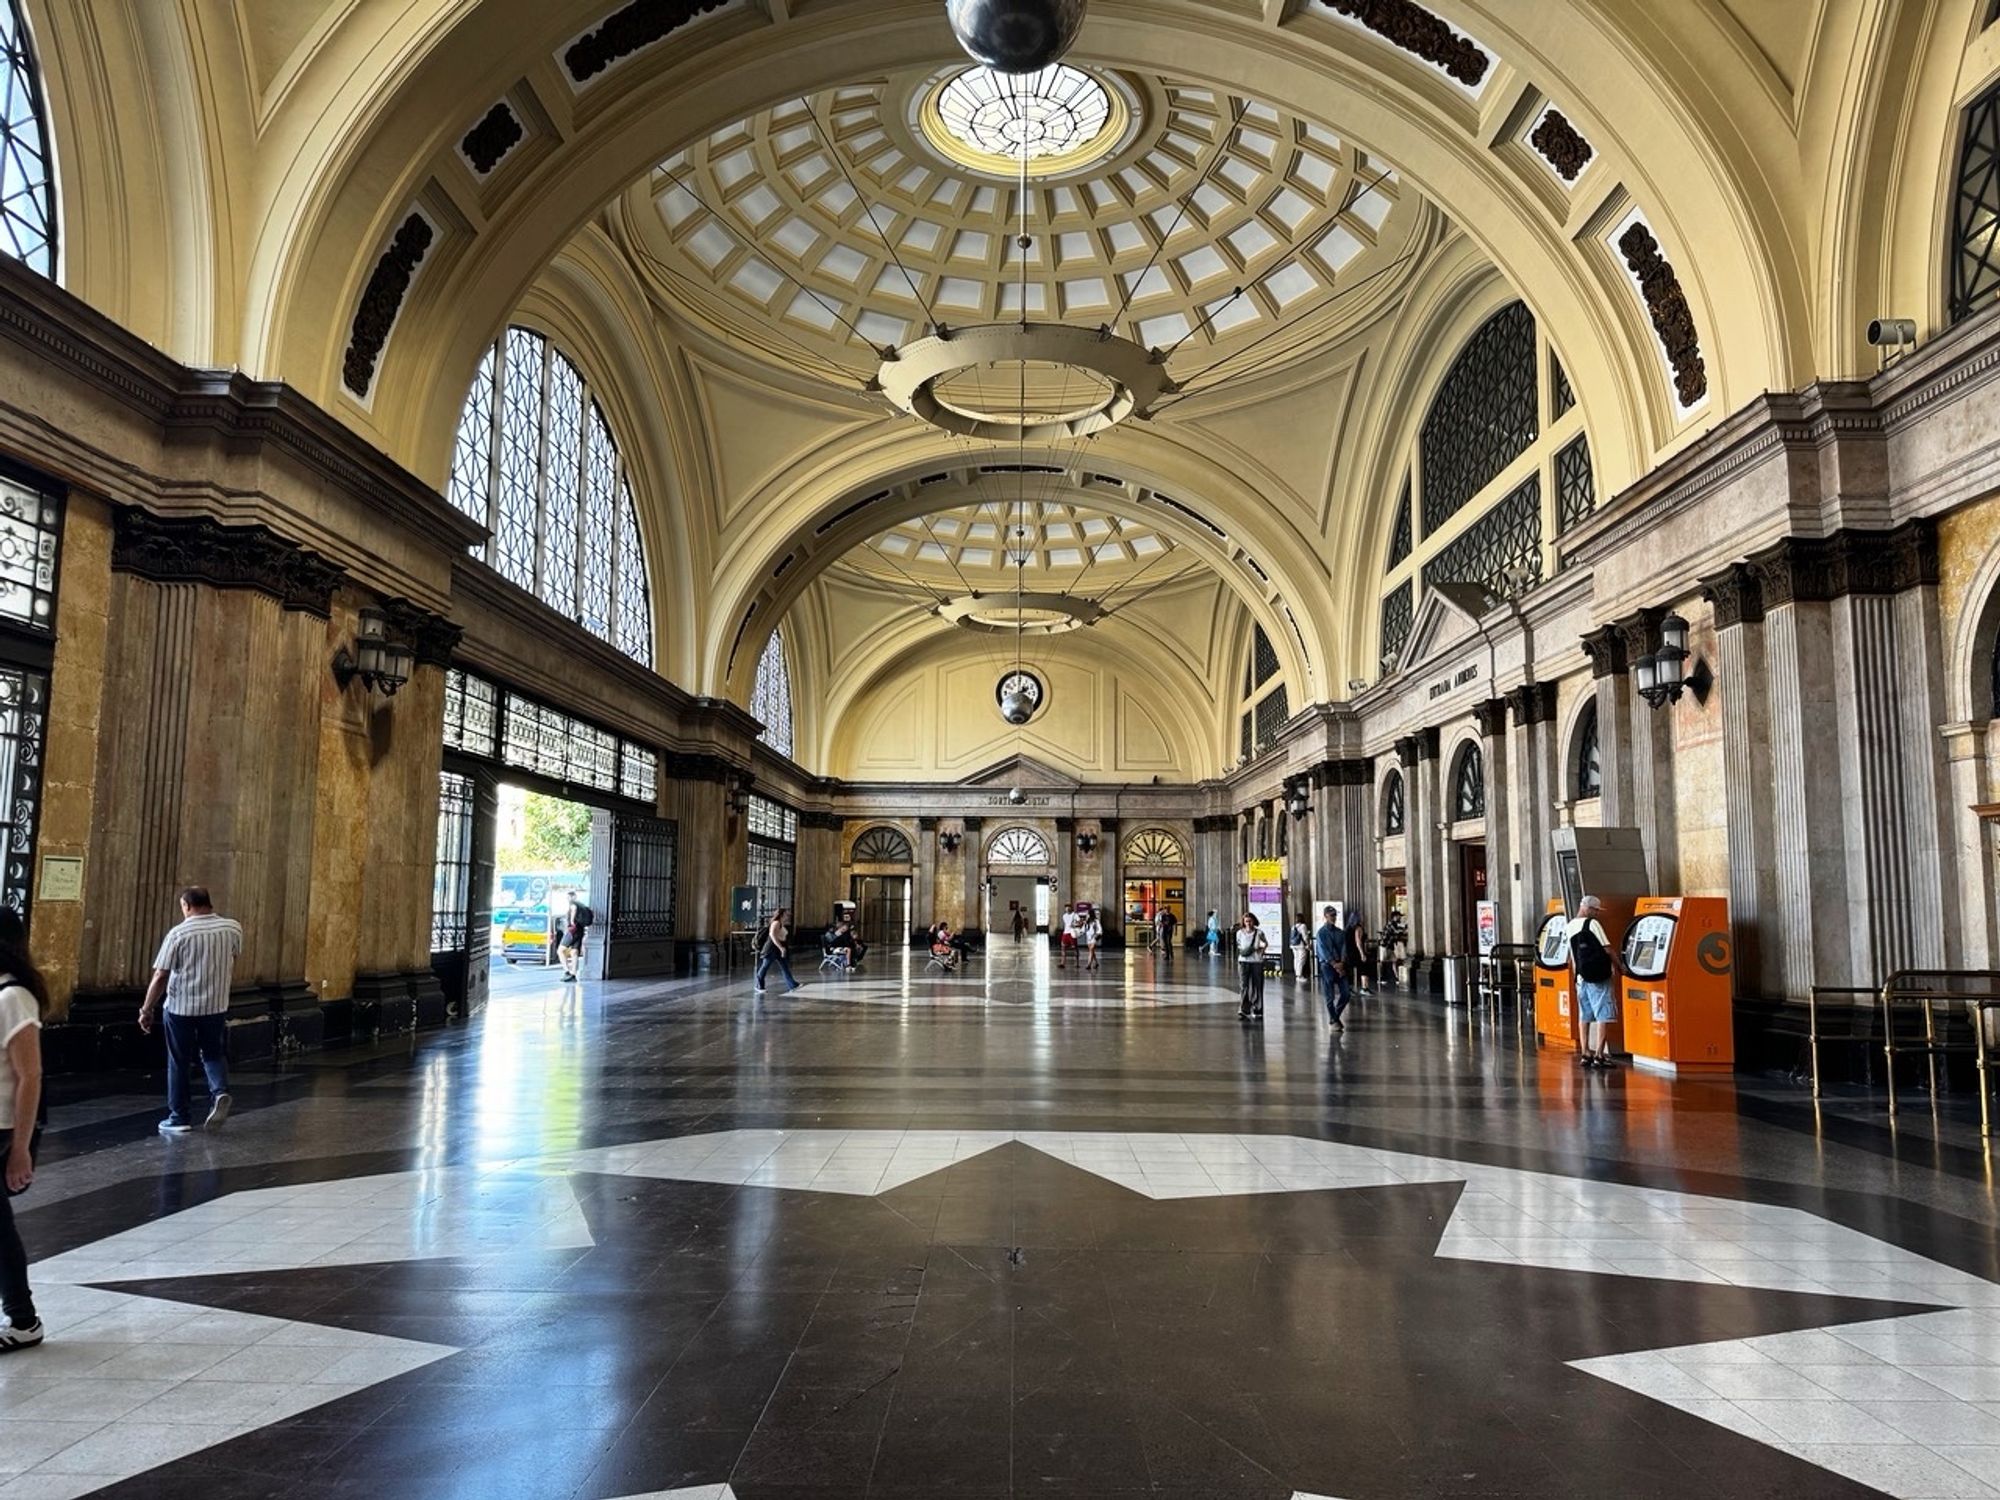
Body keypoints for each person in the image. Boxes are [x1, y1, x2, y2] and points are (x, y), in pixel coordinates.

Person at [138, 887, 241, 1136]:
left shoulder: (179, 933)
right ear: (209, 902)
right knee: (213, 1053)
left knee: (179, 1061)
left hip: (180, 1007)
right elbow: (233, 958)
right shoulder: (232, 928)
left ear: (186, 905)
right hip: (215, 1005)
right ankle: (220, 1091)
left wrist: (146, 1008)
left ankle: (179, 1117)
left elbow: (161, 974)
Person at [0, 911, 46, 1352]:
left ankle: (23, 1319)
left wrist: (20, 1149)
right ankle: (21, 1316)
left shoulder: (14, 995)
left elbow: (30, 1076)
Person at [1566, 894, 1619, 1068]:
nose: (1597, 913)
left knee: (1585, 1014)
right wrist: (1620, 967)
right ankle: (1599, 1055)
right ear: (1588, 908)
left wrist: (1576, 976)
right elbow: (1607, 949)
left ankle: (1585, 1053)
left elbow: (1572, 956)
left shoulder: (1569, 926)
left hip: (1581, 977)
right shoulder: (1592, 924)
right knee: (1603, 1013)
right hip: (1598, 976)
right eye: (1595, 910)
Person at [1314, 904, 1350, 1030]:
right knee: (1330, 995)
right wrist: (1335, 964)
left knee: (1346, 993)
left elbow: (1344, 948)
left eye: (1335, 915)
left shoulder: (1340, 932)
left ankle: (1334, 1017)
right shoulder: (1321, 933)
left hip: (1340, 964)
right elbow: (1323, 950)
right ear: (1325, 916)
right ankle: (1333, 1018)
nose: (1333, 917)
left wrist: (1342, 963)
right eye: (1331, 915)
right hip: (1327, 966)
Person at [754, 907, 801, 993]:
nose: (788, 915)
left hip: (778, 948)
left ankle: (792, 985)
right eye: (787, 914)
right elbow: (772, 936)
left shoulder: (781, 923)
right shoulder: (776, 923)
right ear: (782, 914)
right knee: (765, 966)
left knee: (785, 967)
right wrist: (780, 947)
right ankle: (759, 985)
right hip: (772, 948)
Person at [1234, 912, 1270, 1021]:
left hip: (1256, 962)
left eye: (1250, 921)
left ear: (1254, 921)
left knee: (1257, 986)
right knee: (1244, 985)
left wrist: (1261, 951)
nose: (1248, 923)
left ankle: (1257, 1009)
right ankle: (1244, 1009)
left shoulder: (1259, 932)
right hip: (1243, 961)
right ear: (1243, 922)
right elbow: (1239, 946)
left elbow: (1265, 943)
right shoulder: (1239, 933)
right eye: (1246, 921)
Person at [559, 890, 593, 982]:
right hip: (580, 930)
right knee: (574, 952)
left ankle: (567, 971)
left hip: (573, 930)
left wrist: (572, 921)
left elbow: (573, 909)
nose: (567, 899)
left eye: (568, 897)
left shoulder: (573, 904)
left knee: (560, 950)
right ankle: (573, 974)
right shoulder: (582, 905)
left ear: (572, 897)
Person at [1344, 906, 1372, 995]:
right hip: (1356, 952)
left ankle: (1348, 988)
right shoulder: (1358, 928)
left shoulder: (1348, 928)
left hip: (1348, 952)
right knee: (1364, 967)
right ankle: (1365, 988)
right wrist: (1362, 953)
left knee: (1349, 970)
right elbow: (1358, 941)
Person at [1289, 915, 1311, 981]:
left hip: (1293, 945)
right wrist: (1308, 944)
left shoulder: (1293, 926)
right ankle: (1300, 975)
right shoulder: (1303, 926)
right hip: (1300, 945)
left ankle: (1297, 975)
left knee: (1296, 959)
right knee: (1301, 960)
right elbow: (1305, 937)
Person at [1080, 905, 1102, 971]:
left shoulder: (1096, 921)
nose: (1087, 915)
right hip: (1088, 937)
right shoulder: (1086, 922)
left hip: (1094, 937)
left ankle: (1088, 964)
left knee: (1091, 949)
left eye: (1088, 914)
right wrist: (1080, 932)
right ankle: (1096, 963)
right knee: (1091, 951)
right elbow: (1083, 929)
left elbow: (1099, 928)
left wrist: (1098, 934)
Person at [1058, 905, 1079, 969]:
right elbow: (1066, 924)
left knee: (1075, 948)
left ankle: (1076, 963)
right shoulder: (1064, 916)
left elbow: (1080, 922)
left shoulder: (1075, 915)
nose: (1067, 910)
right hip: (1065, 933)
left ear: (1071, 909)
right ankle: (1062, 963)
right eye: (1066, 909)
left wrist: (1075, 925)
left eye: (1069, 909)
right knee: (1063, 947)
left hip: (1072, 933)